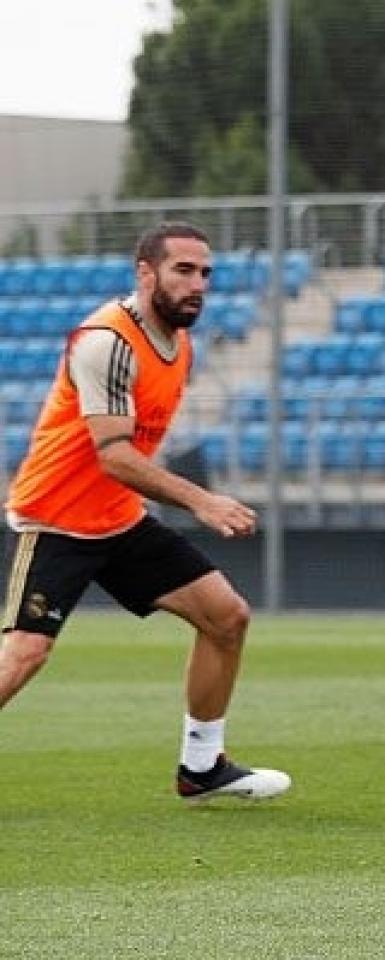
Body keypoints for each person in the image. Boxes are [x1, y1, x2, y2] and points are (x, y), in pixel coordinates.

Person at [0, 222, 290, 803]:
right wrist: (201, 499)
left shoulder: (179, 344)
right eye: (183, 269)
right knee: (27, 650)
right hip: (56, 518)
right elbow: (113, 456)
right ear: (145, 272)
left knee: (225, 617)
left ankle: (202, 769)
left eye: (205, 273)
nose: (197, 284)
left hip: (118, 518)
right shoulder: (106, 341)